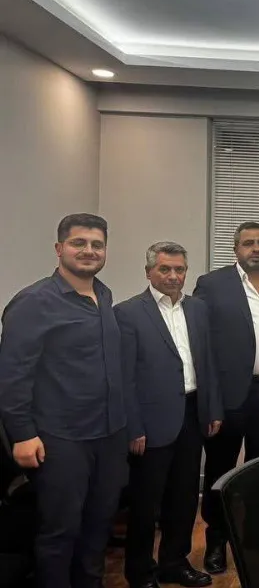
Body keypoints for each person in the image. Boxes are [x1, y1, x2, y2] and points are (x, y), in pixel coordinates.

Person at [0, 213, 128, 588]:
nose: (89, 251)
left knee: (98, 525)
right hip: (61, 439)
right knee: (61, 531)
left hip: (109, 434)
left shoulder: (104, 295)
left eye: (97, 244)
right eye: (79, 243)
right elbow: (13, 375)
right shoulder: (33, 302)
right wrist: (22, 434)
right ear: (59, 248)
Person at [118, 242, 223, 588]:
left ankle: (174, 564)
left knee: (184, 497)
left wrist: (212, 408)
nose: (173, 276)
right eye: (165, 269)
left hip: (192, 415)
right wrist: (133, 426)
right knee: (146, 504)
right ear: (149, 272)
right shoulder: (128, 313)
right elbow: (124, 377)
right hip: (150, 423)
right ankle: (140, 572)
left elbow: (207, 362)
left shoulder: (198, 309)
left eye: (179, 269)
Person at [194, 222, 259, 574]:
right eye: (248, 243)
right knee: (220, 469)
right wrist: (210, 400)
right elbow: (202, 345)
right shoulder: (212, 284)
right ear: (236, 249)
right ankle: (217, 540)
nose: (256, 248)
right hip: (229, 394)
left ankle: (257, 531)